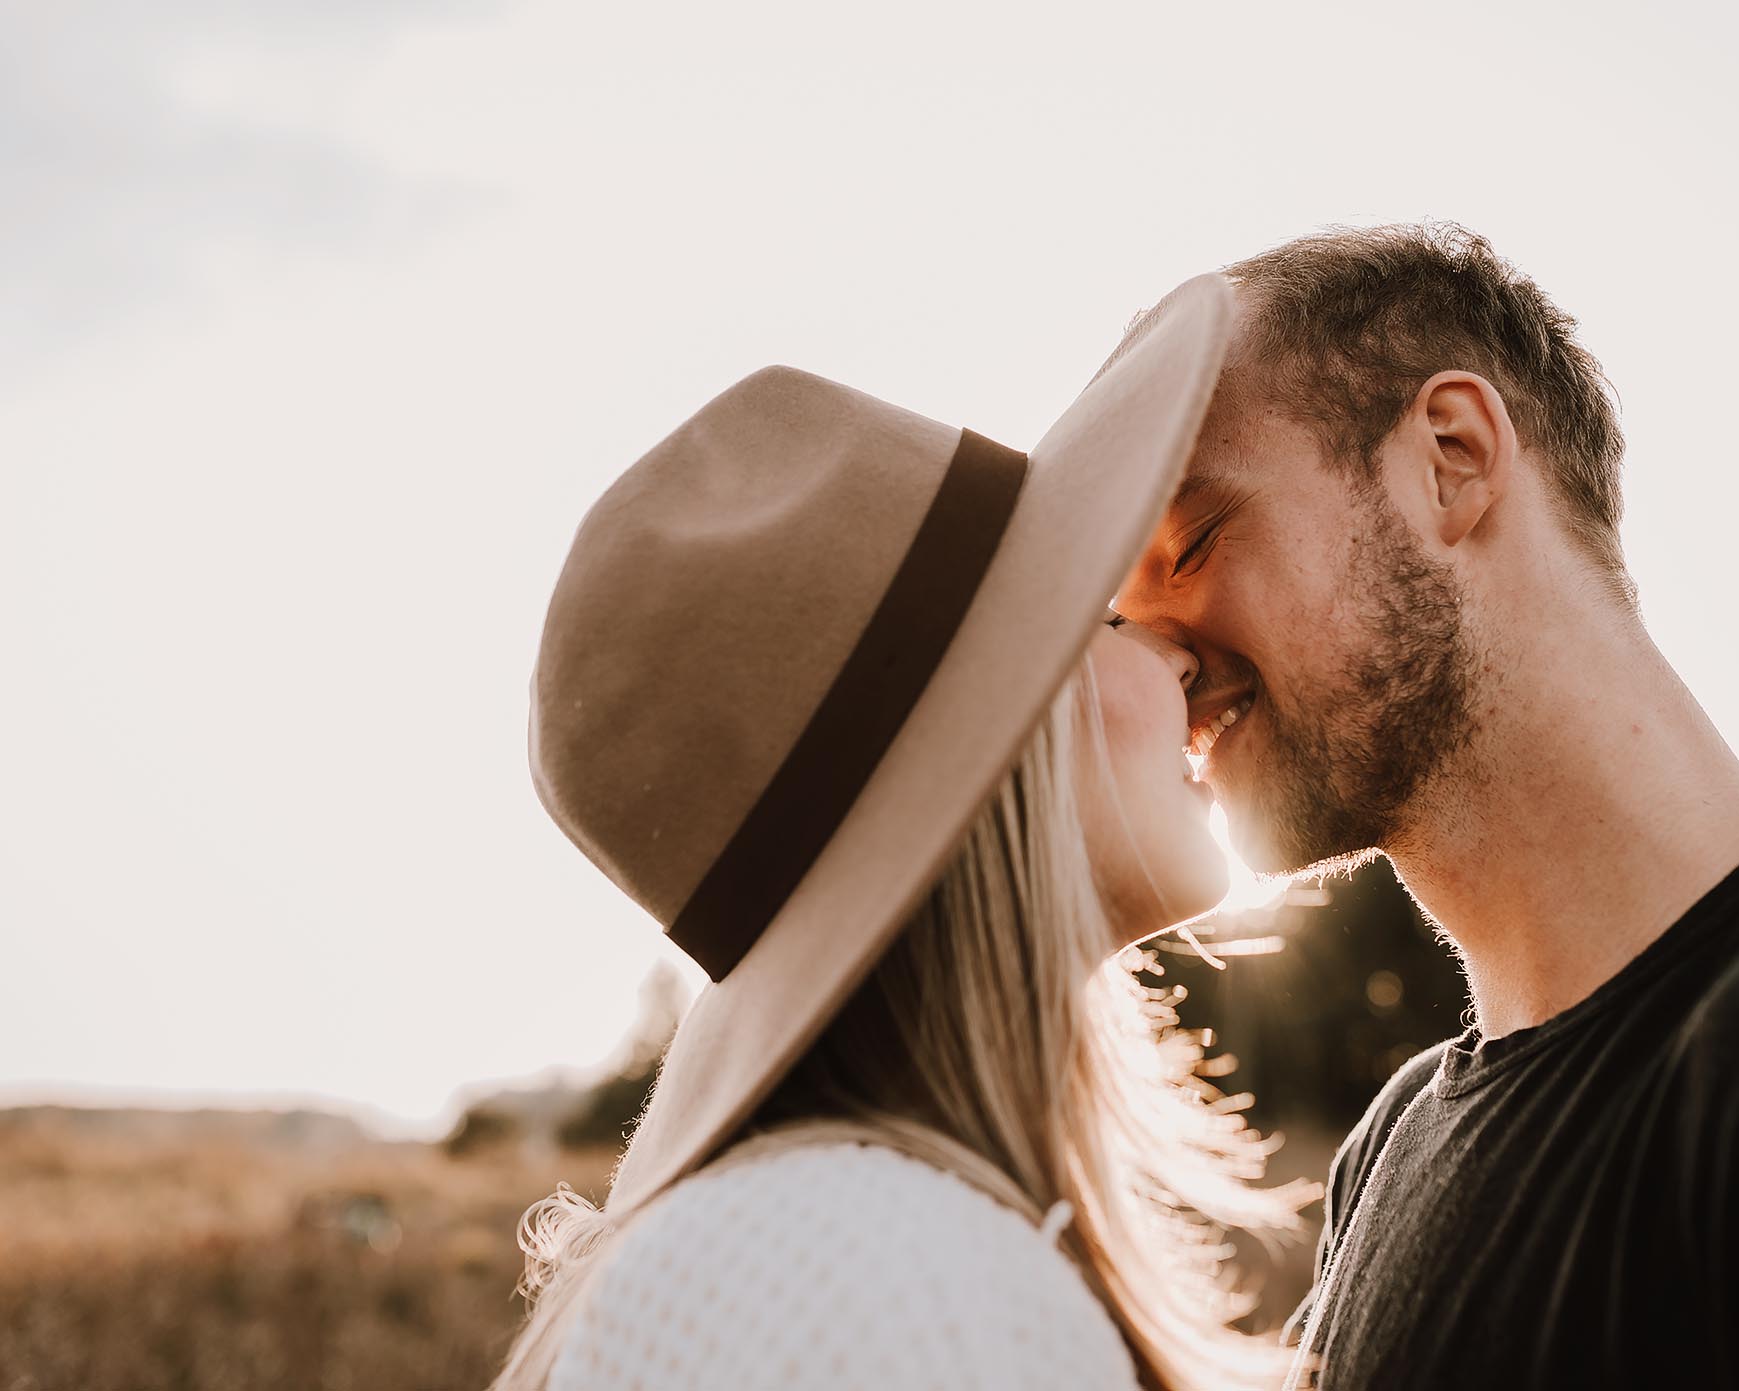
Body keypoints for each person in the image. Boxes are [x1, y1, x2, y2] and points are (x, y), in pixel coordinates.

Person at [1113, 224, 1739, 1389]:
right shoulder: (1392, 1144)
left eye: (1196, 539)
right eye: (1127, 618)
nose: (1161, 664)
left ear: (1451, 458)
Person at [492, 274, 1313, 1391]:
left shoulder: (799, 1248)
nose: (1177, 654)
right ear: (1002, 737)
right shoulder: (894, 1282)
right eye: (1092, 616)